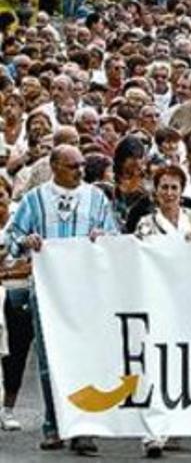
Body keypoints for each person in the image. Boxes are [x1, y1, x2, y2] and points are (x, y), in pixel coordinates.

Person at [4, 144, 116, 455]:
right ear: (54, 167)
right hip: (48, 292)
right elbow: (11, 237)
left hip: (87, 292)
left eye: (81, 165)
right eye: (72, 166)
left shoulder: (96, 198)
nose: (80, 170)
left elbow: (113, 235)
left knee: (86, 358)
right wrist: (26, 241)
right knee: (50, 359)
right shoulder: (35, 199)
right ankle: (54, 425)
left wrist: (102, 238)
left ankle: (83, 428)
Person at [0, 177, 32, 432]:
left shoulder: (20, 225)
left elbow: (31, 264)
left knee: (16, 355)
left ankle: (8, 408)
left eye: (1, 195)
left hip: (18, 296)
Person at [134, 165, 191, 241]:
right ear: (156, 190)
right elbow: (140, 249)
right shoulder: (146, 223)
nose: (169, 193)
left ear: (181, 191)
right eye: (164, 187)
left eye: (174, 188)